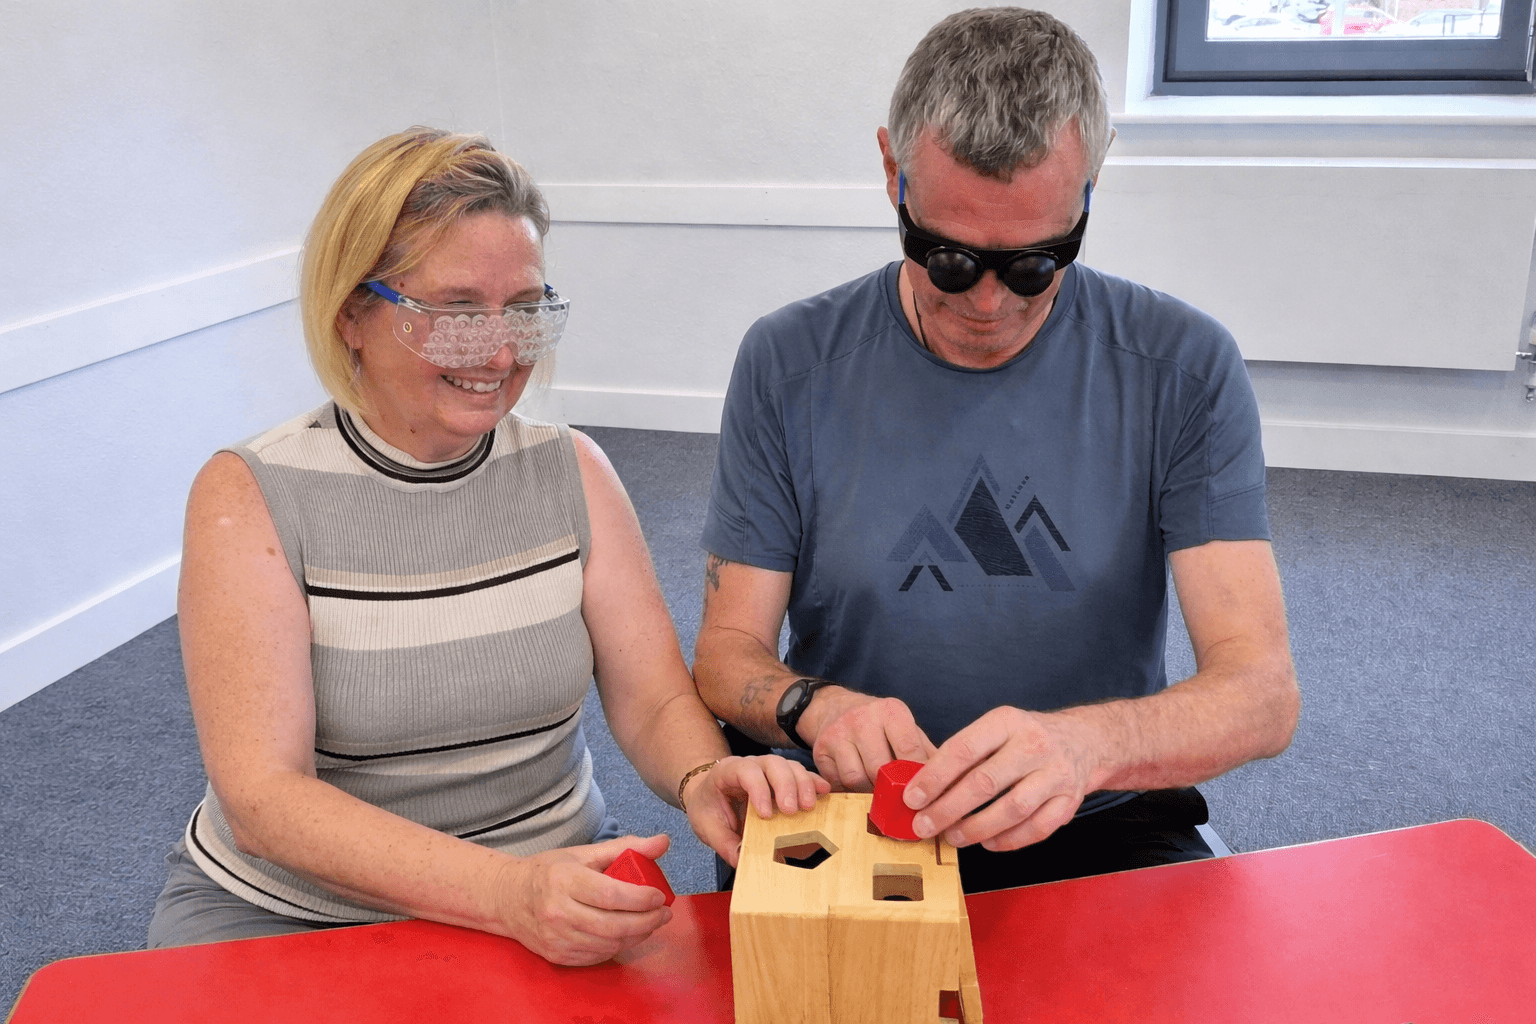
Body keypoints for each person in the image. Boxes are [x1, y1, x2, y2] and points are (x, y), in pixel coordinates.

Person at [149, 126, 827, 964]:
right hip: (302, 914)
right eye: (458, 313)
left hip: (556, 894)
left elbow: (653, 700)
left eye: (527, 311)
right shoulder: (251, 494)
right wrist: (504, 895)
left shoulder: (572, 470)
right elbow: (263, 799)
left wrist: (699, 775)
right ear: (353, 314)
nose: (503, 353)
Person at [695, 8, 1300, 893]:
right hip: (857, 806)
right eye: (945, 259)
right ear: (892, 174)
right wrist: (813, 707)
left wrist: (1090, 745)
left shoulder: (1181, 368)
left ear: (1091, 186)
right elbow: (724, 655)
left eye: (1033, 264)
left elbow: (1261, 693)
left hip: (1094, 806)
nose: (987, 303)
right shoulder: (789, 363)